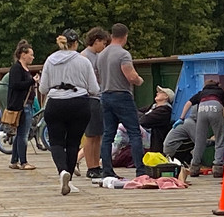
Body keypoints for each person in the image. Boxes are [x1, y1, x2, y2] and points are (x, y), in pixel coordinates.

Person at [40, 29, 99, 195]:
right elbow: (94, 89)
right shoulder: (83, 61)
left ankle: (62, 171)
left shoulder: (50, 60)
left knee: (56, 142)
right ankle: (70, 179)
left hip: (56, 104)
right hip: (79, 103)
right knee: (73, 142)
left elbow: (43, 87)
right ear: (76, 43)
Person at [97, 23, 147, 180]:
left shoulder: (101, 55)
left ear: (112, 36)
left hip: (105, 95)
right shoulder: (123, 54)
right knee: (134, 133)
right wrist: (139, 80)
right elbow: (130, 76)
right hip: (122, 96)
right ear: (125, 36)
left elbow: (98, 76)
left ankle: (107, 170)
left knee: (107, 135)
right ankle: (140, 170)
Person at [181, 79, 224, 178]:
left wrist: (181, 118)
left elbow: (188, 103)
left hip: (202, 109)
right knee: (220, 139)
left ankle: (194, 167)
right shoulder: (221, 92)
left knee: (200, 140)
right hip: (216, 107)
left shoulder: (202, 93)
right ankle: (217, 167)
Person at [80, 27, 110, 180]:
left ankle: (96, 165)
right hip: (89, 98)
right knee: (90, 135)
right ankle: (90, 167)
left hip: (97, 97)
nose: (104, 47)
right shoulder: (85, 57)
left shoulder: (96, 56)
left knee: (98, 134)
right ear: (96, 41)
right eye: (103, 43)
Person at [6, 40, 38, 171]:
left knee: (20, 134)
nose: (32, 57)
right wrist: (31, 81)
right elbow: (15, 85)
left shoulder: (24, 68)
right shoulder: (16, 68)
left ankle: (14, 161)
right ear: (23, 55)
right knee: (23, 135)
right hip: (22, 105)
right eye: (31, 54)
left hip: (26, 104)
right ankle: (23, 162)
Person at [138, 86, 175, 154]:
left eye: (160, 92)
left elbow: (144, 121)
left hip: (152, 140)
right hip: (140, 133)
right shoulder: (152, 106)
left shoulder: (165, 110)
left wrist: (139, 117)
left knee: (122, 127)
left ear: (166, 96)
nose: (157, 93)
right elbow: (136, 113)